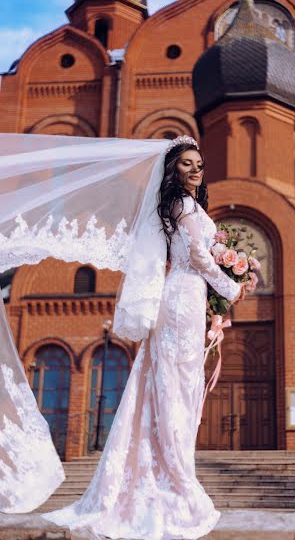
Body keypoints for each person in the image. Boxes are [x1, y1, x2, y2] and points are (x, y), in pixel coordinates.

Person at [37, 136, 246, 539]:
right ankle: (176, 480)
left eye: (199, 163)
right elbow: (200, 258)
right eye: (187, 163)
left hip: (187, 296)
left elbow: (204, 253)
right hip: (183, 295)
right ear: (173, 169)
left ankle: (168, 471)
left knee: (174, 387)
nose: (196, 169)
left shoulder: (190, 205)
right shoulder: (182, 206)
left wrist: (225, 277)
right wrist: (231, 287)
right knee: (177, 389)